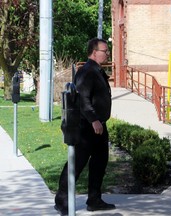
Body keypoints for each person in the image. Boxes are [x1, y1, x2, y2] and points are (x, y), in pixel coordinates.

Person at [54, 38, 115, 215]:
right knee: (77, 164)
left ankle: (94, 199)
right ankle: (62, 200)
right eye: (105, 51)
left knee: (99, 164)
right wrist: (94, 119)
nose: (108, 53)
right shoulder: (87, 72)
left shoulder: (96, 70)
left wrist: (99, 121)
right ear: (94, 52)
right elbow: (83, 99)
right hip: (87, 128)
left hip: (99, 127)